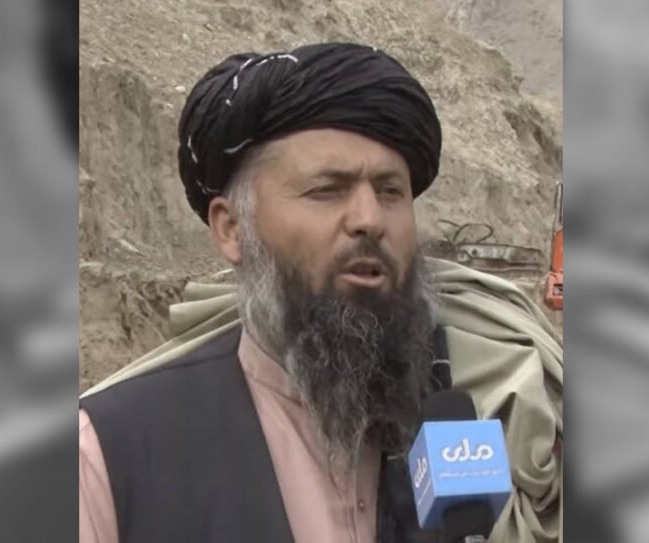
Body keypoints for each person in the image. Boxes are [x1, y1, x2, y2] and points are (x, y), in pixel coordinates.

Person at [79, 42, 563, 543]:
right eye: (326, 190)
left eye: (390, 191)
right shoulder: (107, 460)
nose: (370, 219)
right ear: (231, 228)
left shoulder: (476, 418)